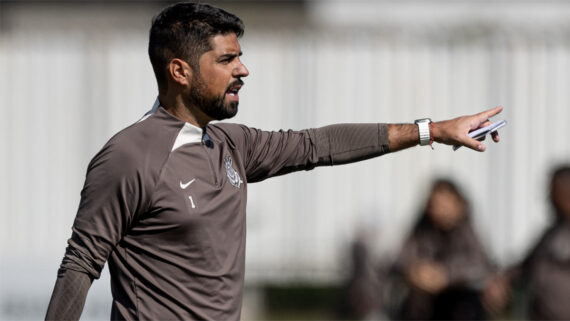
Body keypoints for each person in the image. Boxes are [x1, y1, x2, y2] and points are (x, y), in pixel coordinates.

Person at [45, 2, 503, 320]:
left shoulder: (230, 144)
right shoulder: (129, 155)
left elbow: (317, 145)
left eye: (241, 58)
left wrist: (432, 131)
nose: (243, 70)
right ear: (180, 72)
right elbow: (80, 264)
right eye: (227, 60)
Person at [389, 179, 508, 320]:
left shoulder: (467, 231)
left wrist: (445, 275)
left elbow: (480, 264)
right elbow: (399, 260)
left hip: (459, 306)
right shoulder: (422, 228)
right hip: (426, 307)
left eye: (445, 204)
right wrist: (415, 272)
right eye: (436, 205)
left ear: (458, 205)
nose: (440, 210)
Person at [506, 165, 570, 320]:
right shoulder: (551, 233)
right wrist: (503, 279)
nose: (549, 196)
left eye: (554, 189)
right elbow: (528, 264)